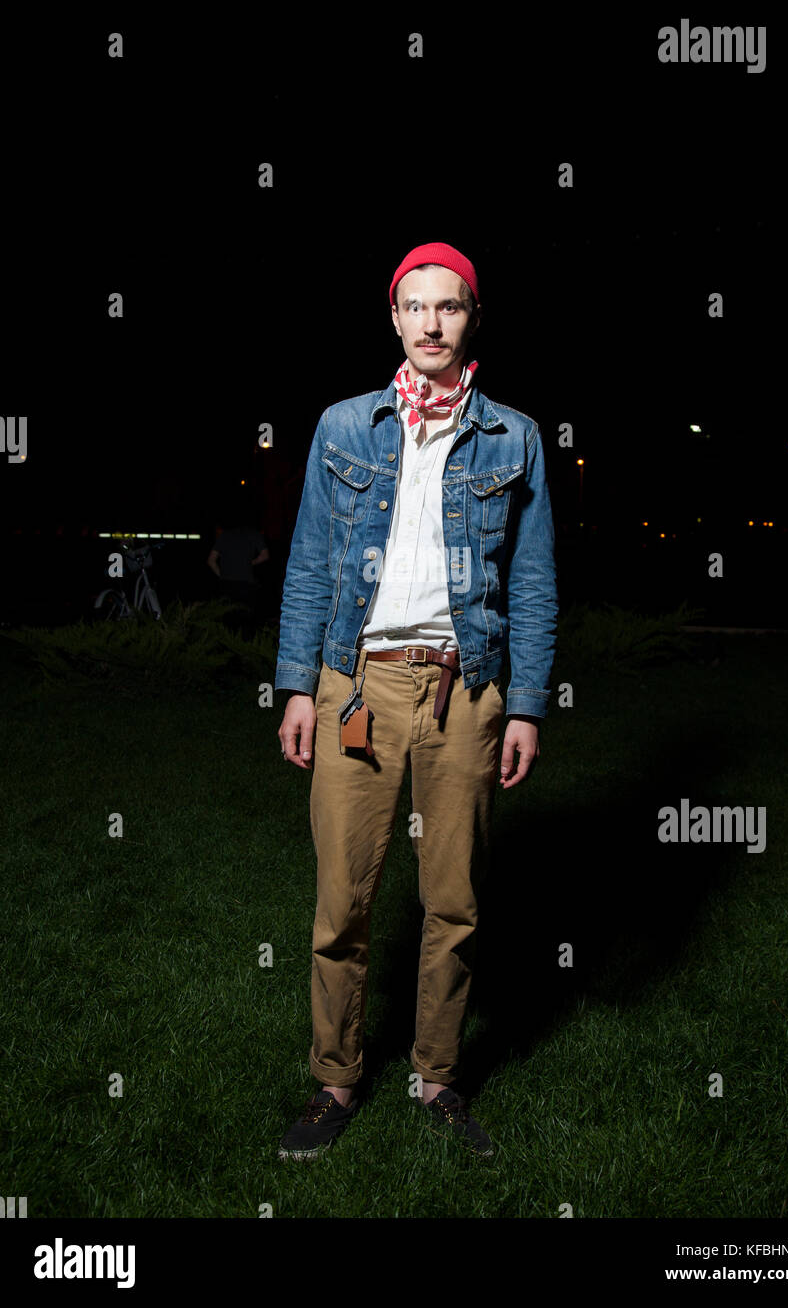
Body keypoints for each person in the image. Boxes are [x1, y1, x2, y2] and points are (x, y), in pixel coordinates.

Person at [275, 242, 558, 1159]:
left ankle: (437, 1078)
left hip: (465, 688)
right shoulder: (343, 426)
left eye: (451, 307)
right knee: (341, 902)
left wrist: (524, 706)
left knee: (455, 900)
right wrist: (296, 688)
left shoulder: (514, 436)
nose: (432, 323)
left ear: (472, 319)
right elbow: (312, 563)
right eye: (415, 306)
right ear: (393, 318)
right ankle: (335, 1079)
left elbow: (537, 581)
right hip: (355, 681)